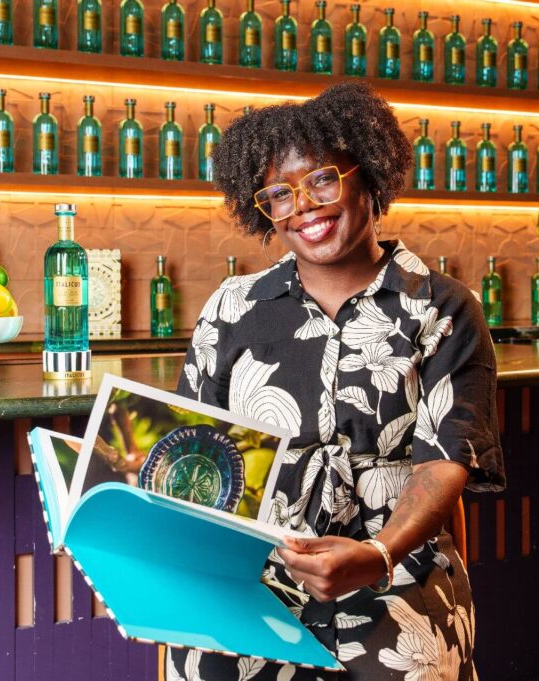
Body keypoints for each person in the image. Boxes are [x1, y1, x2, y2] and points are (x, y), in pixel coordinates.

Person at [171, 82, 505, 680]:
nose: (303, 205)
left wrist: (379, 555)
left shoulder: (442, 307)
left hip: (396, 565)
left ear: (368, 175)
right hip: (251, 573)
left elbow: (444, 460)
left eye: (322, 179)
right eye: (278, 193)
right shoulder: (232, 307)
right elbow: (191, 449)